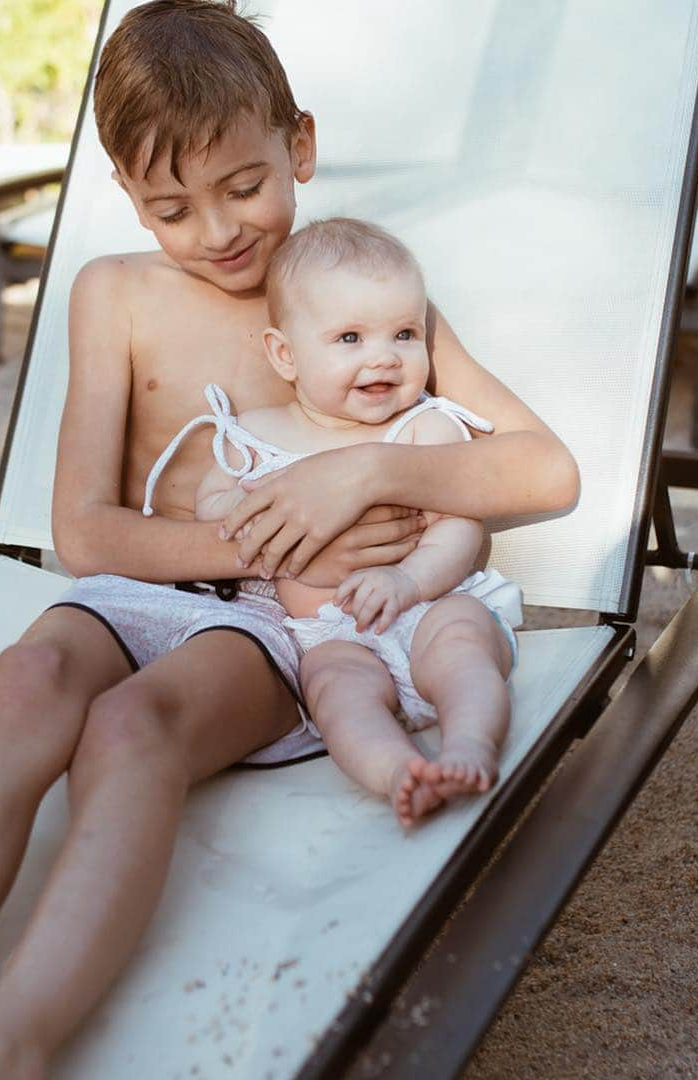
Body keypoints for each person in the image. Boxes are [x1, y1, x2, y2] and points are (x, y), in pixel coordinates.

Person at [0, 3, 577, 1078]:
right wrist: (250, 540)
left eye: (242, 187)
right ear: (128, 198)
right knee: (30, 671)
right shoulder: (114, 296)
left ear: (300, 147)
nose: (220, 231)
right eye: (172, 206)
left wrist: (365, 469)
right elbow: (84, 531)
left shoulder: (348, 290)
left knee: (134, 728)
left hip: (288, 624)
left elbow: (545, 469)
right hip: (156, 582)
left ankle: (6, 1044)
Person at [146, 218, 524, 828]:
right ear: (285, 355)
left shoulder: (422, 428)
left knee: (464, 649)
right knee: (334, 695)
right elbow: (214, 511)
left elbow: (460, 527)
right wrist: (236, 516)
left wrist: (411, 582)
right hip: (330, 634)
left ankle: (470, 746)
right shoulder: (256, 437)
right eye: (350, 338)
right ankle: (398, 772)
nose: (383, 357)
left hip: (430, 606)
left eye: (404, 334)